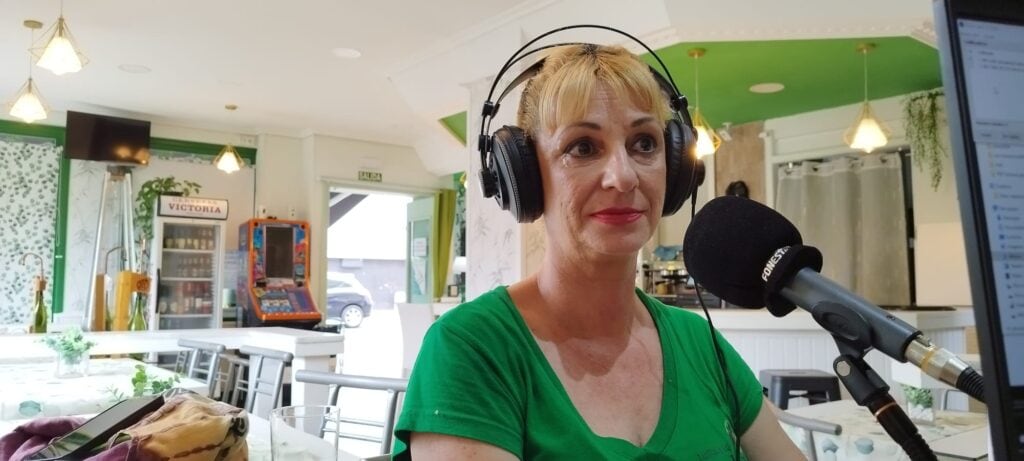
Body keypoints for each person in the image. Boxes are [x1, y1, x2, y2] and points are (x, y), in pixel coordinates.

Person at [392, 43, 805, 460]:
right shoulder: (472, 347)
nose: (623, 177)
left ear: (676, 168)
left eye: (644, 143)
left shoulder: (700, 342)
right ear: (525, 178)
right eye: (583, 148)